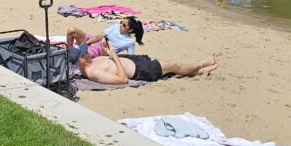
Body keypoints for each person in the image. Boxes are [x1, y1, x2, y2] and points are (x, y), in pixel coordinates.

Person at [76, 39, 219, 85]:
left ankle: (201, 71)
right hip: (141, 70)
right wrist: (114, 55)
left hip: (134, 61)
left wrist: (105, 52)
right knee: (173, 65)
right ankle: (202, 64)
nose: (88, 51)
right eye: (85, 52)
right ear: (82, 60)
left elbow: (107, 62)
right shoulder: (94, 72)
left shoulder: (90, 62)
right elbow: (122, 79)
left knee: (170, 68)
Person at [66, 16, 145, 59]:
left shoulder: (130, 42)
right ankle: (69, 50)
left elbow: (130, 57)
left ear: (130, 30)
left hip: (100, 51)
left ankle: (69, 56)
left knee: (77, 54)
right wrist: (86, 43)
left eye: (124, 25)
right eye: (121, 22)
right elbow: (99, 36)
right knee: (71, 30)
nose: (121, 25)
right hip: (95, 41)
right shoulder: (116, 26)